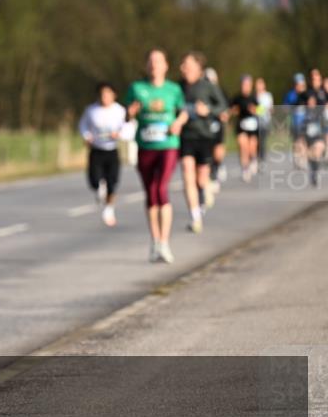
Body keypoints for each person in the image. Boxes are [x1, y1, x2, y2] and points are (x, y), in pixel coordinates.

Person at [125, 49, 188, 263]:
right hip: (145, 145)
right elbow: (125, 114)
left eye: (158, 61)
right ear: (146, 65)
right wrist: (129, 113)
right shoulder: (136, 88)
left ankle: (165, 242)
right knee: (151, 193)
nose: (154, 65)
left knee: (161, 188)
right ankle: (155, 241)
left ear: (166, 65)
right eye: (151, 61)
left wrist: (178, 123)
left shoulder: (173, 89)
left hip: (168, 144)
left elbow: (183, 112)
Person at [178, 52, 227, 233]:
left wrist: (208, 110)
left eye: (188, 65)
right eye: (182, 65)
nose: (184, 69)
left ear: (198, 68)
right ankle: (195, 216)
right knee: (187, 174)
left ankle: (205, 191)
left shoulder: (208, 87)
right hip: (185, 137)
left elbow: (223, 106)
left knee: (200, 179)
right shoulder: (178, 88)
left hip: (205, 136)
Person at [77, 82, 127, 227]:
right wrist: (87, 136)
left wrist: (119, 134)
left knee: (113, 183)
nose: (105, 97)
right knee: (94, 180)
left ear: (114, 95)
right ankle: (99, 187)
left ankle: (109, 209)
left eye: (108, 94)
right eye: (102, 94)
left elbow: (128, 126)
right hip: (96, 150)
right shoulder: (91, 110)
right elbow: (83, 125)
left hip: (112, 150)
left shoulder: (119, 111)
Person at [229, 75, 260, 182]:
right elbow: (231, 110)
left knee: (251, 148)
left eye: (247, 85)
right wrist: (234, 111)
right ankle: (245, 168)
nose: (245, 87)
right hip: (241, 125)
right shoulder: (236, 98)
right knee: (243, 147)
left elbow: (262, 110)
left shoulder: (254, 98)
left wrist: (255, 110)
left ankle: (253, 160)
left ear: (250, 86)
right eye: (243, 85)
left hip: (252, 126)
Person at [204, 67, 229, 186]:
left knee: (218, 152)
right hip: (205, 126)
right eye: (206, 79)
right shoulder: (201, 92)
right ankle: (211, 176)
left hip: (218, 124)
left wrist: (224, 115)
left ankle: (219, 165)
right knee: (207, 152)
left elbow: (226, 108)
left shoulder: (221, 92)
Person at [299, 90, 325, 187]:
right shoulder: (304, 114)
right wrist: (302, 142)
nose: (311, 103)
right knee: (311, 158)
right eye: (310, 101)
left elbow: (324, 127)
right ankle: (313, 172)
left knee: (317, 151)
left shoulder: (320, 113)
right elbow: (301, 130)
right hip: (307, 139)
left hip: (318, 138)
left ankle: (315, 172)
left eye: (313, 101)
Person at [283, 73, 308, 169]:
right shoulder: (290, 95)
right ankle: (297, 157)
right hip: (294, 121)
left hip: (305, 121)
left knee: (304, 140)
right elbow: (285, 108)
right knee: (296, 141)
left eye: (302, 84)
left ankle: (303, 159)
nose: (300, 86)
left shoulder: (307, 94)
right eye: (298, 84)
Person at [255, 77, 274, 167]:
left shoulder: (267, 95)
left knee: (262, 141)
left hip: (265, 122)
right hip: (255, 122)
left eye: (260, 84)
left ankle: (262, 159)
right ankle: (255, 158)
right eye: (257, 84)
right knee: (256, 141)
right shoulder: (254, 96)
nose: (259, 86)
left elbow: (270, 108)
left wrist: (260, 109)